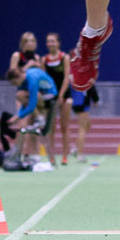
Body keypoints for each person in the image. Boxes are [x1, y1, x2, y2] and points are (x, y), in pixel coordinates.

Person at [42, 32, 72, 165]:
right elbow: (44, 79)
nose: (50, 44)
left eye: (52, 41)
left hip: (64, 95)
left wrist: (60, 95)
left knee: (64, 126)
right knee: (51, 127)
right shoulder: (45, 60)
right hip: (50, 96)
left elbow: (66, 77)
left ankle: (65, 156)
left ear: (58, 43)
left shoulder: (64, 57)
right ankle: (51, 156)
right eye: (48, 41)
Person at [70, 85, 99, 163]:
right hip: (82, 102)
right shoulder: (86, 76)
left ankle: (76, 148)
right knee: (82, 128)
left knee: (87, 125)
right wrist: (96, 100)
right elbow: (92, 88)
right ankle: (79, 155)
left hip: (77, 102)